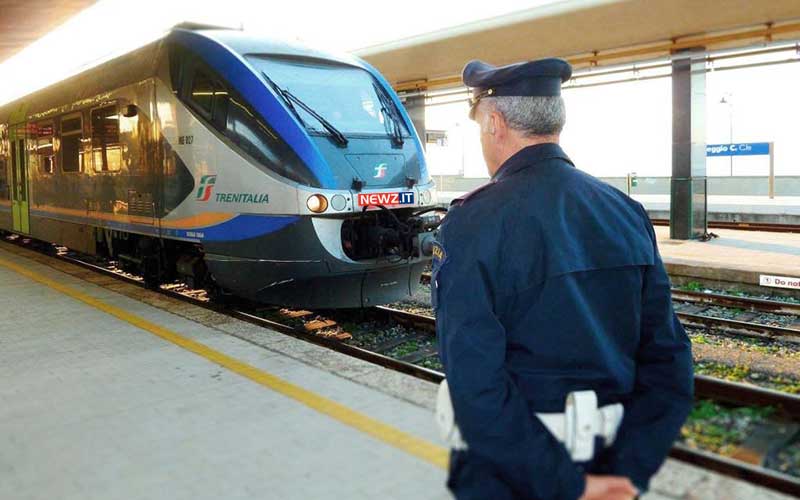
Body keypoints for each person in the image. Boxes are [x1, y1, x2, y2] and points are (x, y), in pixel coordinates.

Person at [432, 58, 694, 500]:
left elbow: (477, 385)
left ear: (495, 123)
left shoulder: (470, 224)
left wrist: (569, 487)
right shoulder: (624, 213)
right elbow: (669, 361)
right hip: (610, 461)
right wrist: (626, 474)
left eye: (480, 127)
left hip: (510, 475)